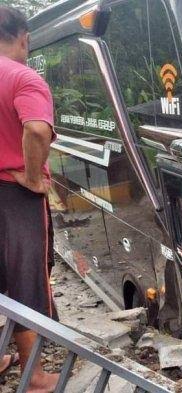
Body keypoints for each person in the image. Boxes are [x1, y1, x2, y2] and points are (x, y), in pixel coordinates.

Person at [0, 6, 59, 391]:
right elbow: (37, 130)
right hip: (13, 195)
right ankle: (33, 376)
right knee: (25, 280)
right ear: (23, 36)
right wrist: (34, 177)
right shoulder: (23, 78)